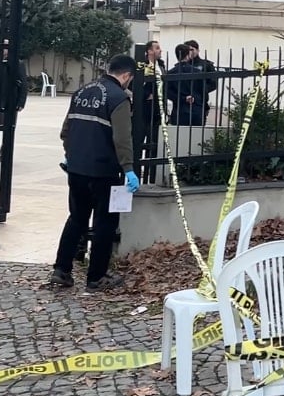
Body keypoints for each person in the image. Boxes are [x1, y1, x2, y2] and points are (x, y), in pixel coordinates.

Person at [51, 55, 140, 291]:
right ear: (126, 75)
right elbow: (122, 139)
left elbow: (66, 130)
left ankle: (61, 270)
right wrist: (129, 169)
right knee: (105, 223)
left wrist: (71, 154)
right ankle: (96, 277)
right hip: (103, 170)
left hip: (77, 169)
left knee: (76, 218)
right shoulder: (119, 98)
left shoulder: (81, 92)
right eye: (130, 79)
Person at [0, 38, 28, 162]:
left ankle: (5, 152)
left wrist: (21, 102)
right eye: (3, 47)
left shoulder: (17, 63)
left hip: (10, 101)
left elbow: (24, 84)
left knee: (8, 128)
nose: (4, 50)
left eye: (7, 47)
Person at [140, 40, 167, 182]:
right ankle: (137, 170)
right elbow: (136, 85)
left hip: (158, 109)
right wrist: (146, 95)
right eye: (157, 48)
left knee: (154, 143)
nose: (160, 50)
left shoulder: (161, 66)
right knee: (140, 141)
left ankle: (151, 175)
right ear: (149, 51)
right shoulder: (142, 65)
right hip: (144, 109)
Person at [167, 43, 207, 127]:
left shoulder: (171, 73)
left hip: (179, 110)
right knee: (196, 134)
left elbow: (168, 93)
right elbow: (204, 92)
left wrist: (183, 98)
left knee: (178, 134)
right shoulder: (197, 72)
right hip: (196, 110)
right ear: (188, 55)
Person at [184, 39, 217, 116]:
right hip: (184, 101)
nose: (190, 52)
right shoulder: (182, 65)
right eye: (188, 50)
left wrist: (200, 91)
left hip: (200, 101)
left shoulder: (206, 65)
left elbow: (213, 84)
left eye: (192, 49)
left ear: (198, 50)